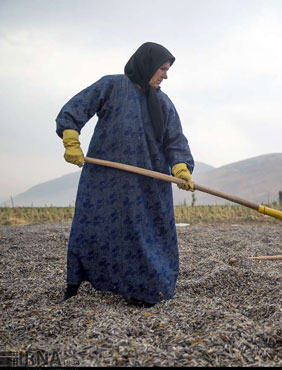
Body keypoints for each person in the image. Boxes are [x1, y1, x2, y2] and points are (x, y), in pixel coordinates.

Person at [55, 42, 194, 307]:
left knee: (146, 234)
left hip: (148, 183)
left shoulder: (163, 103)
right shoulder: (111, 86)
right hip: (106, 180)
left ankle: (142, 288)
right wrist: (71, 141)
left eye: (167, 70)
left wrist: (181, 168)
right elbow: (75, 108)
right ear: (146, 64)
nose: (165, 75)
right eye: (162, 68)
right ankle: (75, 284)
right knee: (92, 228)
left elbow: (175, 140)